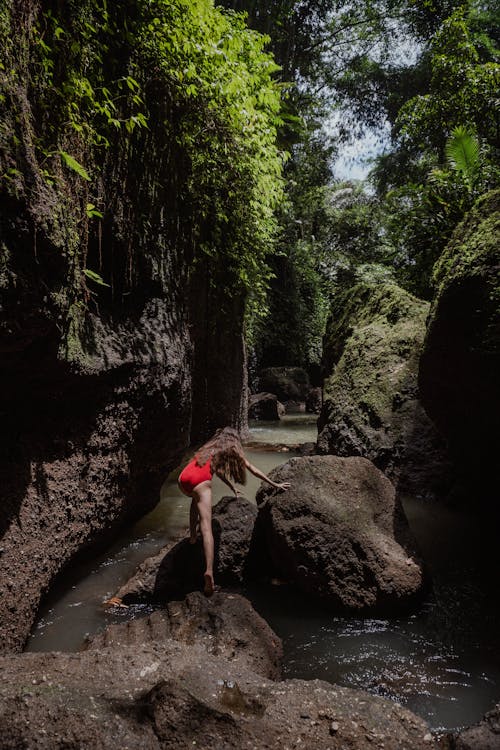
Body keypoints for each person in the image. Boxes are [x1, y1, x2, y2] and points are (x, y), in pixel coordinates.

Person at [178, 426, 290, 596]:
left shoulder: (208, 448)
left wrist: (231, 487)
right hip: (200, 483)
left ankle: (193, 537)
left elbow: (217, 471)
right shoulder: (231, 451)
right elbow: (253, 470)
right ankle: (209, 573)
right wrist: (275, 484)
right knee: (207, 529)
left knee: (194, 500)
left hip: (183, 479)